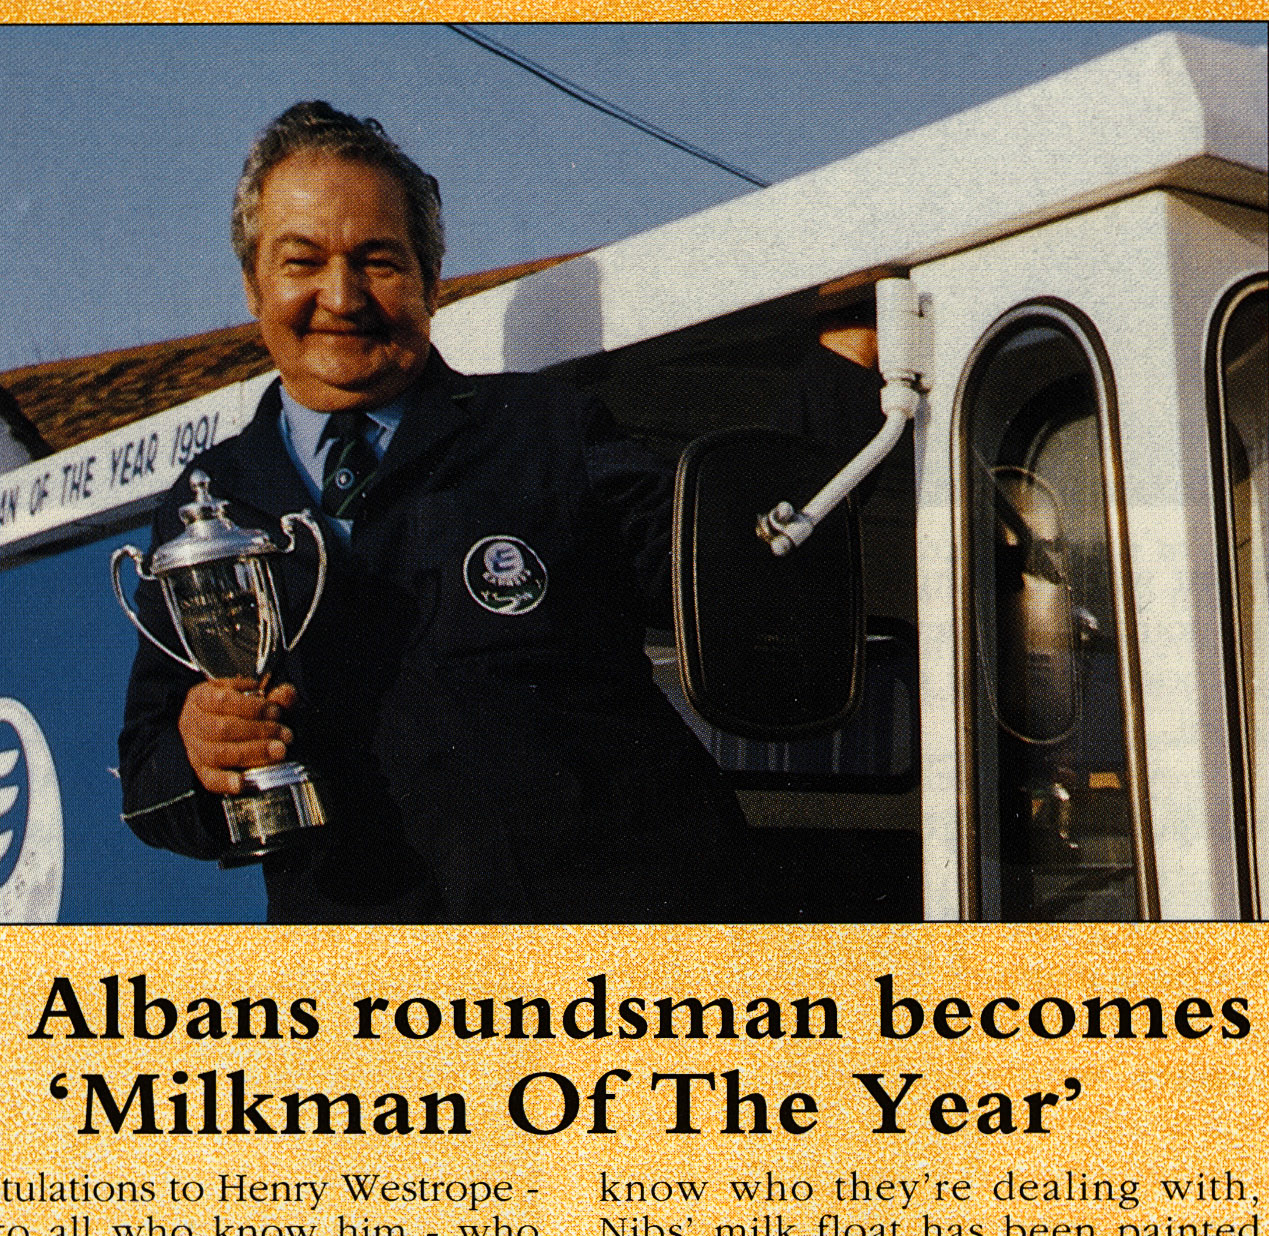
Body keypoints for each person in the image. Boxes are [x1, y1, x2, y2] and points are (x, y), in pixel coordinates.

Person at [119, 103, 875, 923]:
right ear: (253, 283)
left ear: (431, 280)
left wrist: (845, 370)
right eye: (303, 261)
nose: (342, 297)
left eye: (378, 261)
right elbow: (148, 777)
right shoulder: (208, 505)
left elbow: (739, 566)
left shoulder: (548, 432)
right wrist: (202, 753)